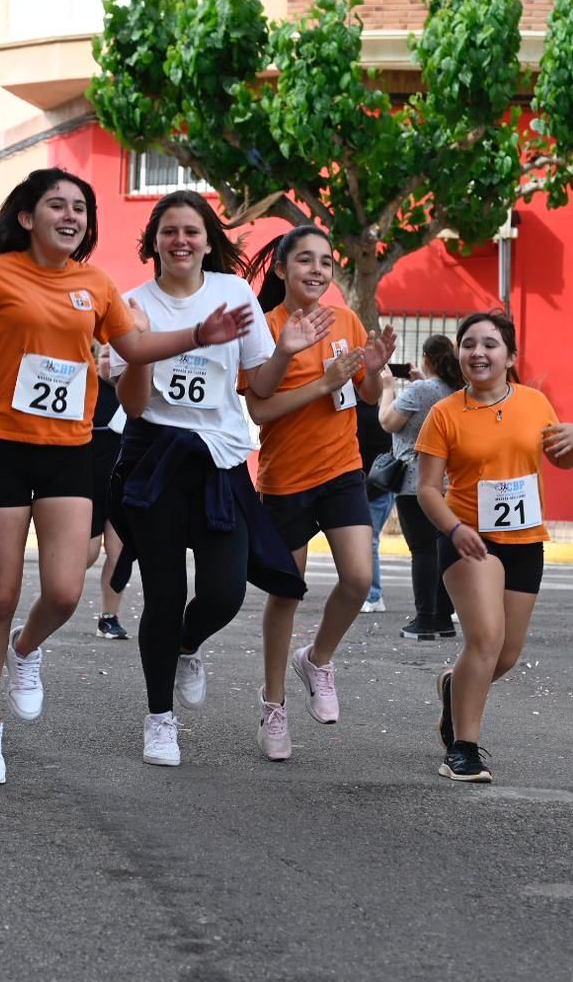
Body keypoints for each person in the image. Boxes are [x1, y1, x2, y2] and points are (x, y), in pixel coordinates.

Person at [0, 167, 255, 785]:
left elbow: (134, 349)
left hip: (70, 450)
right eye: (58, 205)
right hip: (2, 445)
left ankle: (26, 648)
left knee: (66, 592)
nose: (71, 216)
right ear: (28, 217)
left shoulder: (96, 284)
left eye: (80, 207)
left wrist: (198, 334)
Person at [107, 191, 328, 766]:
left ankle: (187, 644)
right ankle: (160, 719)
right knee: (164, 592)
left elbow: (258, 385)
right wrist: (137, 354)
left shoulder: (232, 296)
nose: (182, 241)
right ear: (153, 240)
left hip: (221, 459)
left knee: (226, 593)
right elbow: (133, 405)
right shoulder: (131, 305)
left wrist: (286, 349)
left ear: (209, 241)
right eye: (170, 231)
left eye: (193, 231)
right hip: (155, 459)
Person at [239, 225, 396, 761]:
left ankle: (319, 658)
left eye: (326, 262)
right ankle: (274, 704)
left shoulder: (346, 321)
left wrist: (370, 374)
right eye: (304, 260)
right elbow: (259, 408)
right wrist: (320, 381)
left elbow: (365, 396)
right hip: (285, 479)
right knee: (287, 591)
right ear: (281, 269)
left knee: (359, 577)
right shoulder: (266, 328)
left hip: (341, 470)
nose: (317, 270)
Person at [414, 310, 573, 783]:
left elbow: (563, 459)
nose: (478, 352)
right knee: (485, 639)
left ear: (510, 357)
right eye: (468, 343)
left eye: (490, 344)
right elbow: (427, 489)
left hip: (526, 540)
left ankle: (455, 688)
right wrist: (453, 529)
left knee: (507, 653)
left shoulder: (535, 404)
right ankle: (463, 750)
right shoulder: (444, 414)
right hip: (468, 538)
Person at [381, 334, 463, 640]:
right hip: (448, 481)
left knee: (423, 551)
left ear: (426, 357)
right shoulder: (457, 390)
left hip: (415, 481)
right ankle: (443, 615)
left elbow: (388, 421)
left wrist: (388, 389)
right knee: (443, 548)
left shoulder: (420, 390)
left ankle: (426, 617)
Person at [87, 350, 129, 640]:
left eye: (117, 355)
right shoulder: (86, 388)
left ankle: (109, 617)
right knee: (85, 556)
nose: (111, 361)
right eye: (105, 355)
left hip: (122, 487)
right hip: (86, 485)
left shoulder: (136, 390)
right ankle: (57, 604)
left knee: (119, 553)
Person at [357, 388, 395, 614]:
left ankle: (373, 594)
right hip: (380, 485)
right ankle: (371, 593)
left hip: (373, 486)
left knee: (369, 542)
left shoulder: (362, 413)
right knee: (369, 542)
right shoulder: (380, 411)